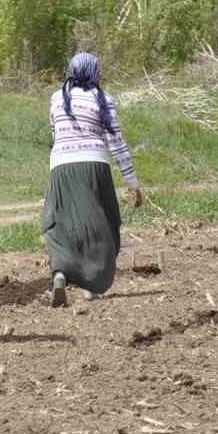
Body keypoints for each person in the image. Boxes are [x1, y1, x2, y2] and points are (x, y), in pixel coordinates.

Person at [44, 52, 144, 307]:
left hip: (61, 166)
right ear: (93, 73)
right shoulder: (103, 99)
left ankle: (60, 273)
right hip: (93, 166)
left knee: (60, 222)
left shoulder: (57, 98)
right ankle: (93, 286)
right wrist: (132, 182)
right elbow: (117, 143)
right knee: (104, 222)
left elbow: (55, 134)